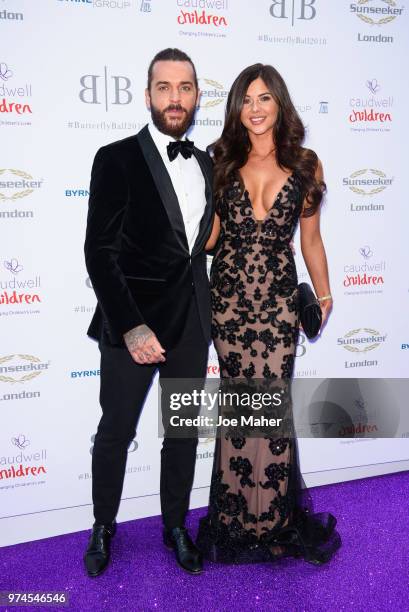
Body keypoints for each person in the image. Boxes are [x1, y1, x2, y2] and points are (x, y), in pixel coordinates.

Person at [196, 63, 342, 564]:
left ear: (280, 103)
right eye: (246, 100)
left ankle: (272, 519)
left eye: (264, 99)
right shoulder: (221, 160)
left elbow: (312, 240)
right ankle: (236, 517)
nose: (255, 109)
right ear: (236, 106)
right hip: (230, 304)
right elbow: (212, 240)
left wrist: (323, 297)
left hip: (278, 305)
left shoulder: (305, 163)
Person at [83, 48, 214, 577]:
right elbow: (99, 250)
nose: (175, 98)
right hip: (131, 325)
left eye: (184, 88)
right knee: (115, 430)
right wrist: (133, 325)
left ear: (197, 97)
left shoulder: (205, 160)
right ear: (148, 95)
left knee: (180, 431)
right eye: (164, 87)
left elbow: (202, 246)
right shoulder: (114, 157)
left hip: (190, 324)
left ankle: (175, 525)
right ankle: (102, 526)